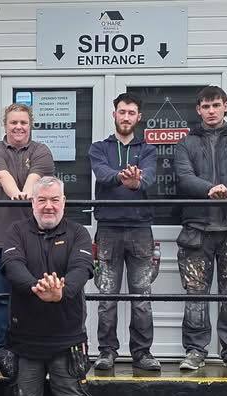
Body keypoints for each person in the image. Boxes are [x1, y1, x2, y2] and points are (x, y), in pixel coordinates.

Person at [0, 176, 95, 396]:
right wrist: (39, 289)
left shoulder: (79, 233)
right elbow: (11, 267)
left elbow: (83, 269)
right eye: (42, 200)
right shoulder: (16, 232)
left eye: (55, 200)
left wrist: (62, 291)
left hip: (68, 339)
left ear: (64, 202)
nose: (49, 206)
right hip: (25, 341)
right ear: (33, 203)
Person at [173, 86, 227, 371]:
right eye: (206, 106)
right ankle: (196, 351)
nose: (211, 111)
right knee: (196, 294)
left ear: (226, 106)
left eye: (216, 105)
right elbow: (184, 177)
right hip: (197, 228)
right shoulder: (186, 143)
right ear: (198, 110)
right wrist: (210, 189)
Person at [88, 92, 160, 371]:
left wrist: (137, 182)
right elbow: (103, 174)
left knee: (142, 298)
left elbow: (148, 178)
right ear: (114, 114)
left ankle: (142, 353)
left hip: (141, 231)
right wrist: (123, 178)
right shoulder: (98, 148)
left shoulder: (149, 150)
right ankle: (107, 352)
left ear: (139, 117)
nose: (126, 117)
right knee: (106, 298)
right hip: (108, 231)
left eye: (131, 113)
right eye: (122, 112)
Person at [0, 103, 55, 355]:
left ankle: (30, 346)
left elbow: (36, 178)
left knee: (32, 292)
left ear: (30, 125)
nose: (18, 127)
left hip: (32, 237)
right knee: (1, 297)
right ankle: (5, 348)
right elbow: (3, 177)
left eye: (23, 122)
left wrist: (26, 192)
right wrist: (18, 195)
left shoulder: (41, 151)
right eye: (13, 122)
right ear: (5, 125)